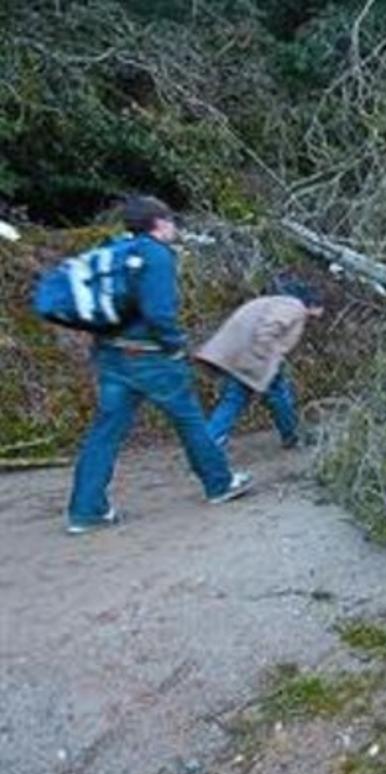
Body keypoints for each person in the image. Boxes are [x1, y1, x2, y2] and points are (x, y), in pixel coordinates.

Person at [66, 196, 252, 534]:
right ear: (159, 223)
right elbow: (159, 313)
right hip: (151, 357)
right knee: (190, 421)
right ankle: (219, 483)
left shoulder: (115, 249)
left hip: (112, 356)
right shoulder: (156, 255)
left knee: (105, 433)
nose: (175, 227)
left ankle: (86, 510)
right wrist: (175, 346)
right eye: (171, 221)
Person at [197, 277, 324, 450]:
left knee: (276, 394)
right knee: (238, 399)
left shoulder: (274, 302)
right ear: (314, 304)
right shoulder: (293, 307)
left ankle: (292, 435)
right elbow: (267, 331)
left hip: (238, 354)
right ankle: (209, 443)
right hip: (252, 358)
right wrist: (263, 357)